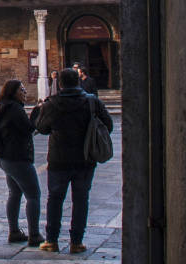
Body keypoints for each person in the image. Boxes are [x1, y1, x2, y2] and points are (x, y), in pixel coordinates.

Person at [34, 68, 113, 254]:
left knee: (54, 199)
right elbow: (108, 125)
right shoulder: (92, 101)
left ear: (60, 83)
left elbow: (42, 128)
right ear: (78, 81)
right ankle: (76, 242)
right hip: (85, 159)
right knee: (81, 200)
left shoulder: (51, 103)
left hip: (58, 159)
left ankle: (51, 241)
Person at [0, 80, 44, 247]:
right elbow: (29, 129)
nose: (24, 92)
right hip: (18, 157)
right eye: (21, 90)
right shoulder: (15, 109)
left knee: (14, 193)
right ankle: (34, 234)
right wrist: (38, 111)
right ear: (13, 92)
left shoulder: (1, 106)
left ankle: (14, 231)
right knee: (33, 195)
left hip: (5, 157)